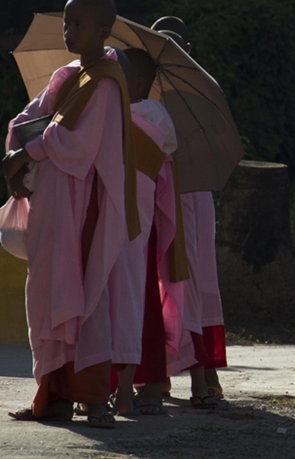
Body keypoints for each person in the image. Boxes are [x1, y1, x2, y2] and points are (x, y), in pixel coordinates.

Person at [4, 0, 139, 428]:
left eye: (78, 24)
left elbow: (77, 145)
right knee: (45, 293)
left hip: (84, 207)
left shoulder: (105, 80)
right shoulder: (67, 75)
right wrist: (17, 147)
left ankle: (94, 398)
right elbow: (31, 117)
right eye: (67, 22)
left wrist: (28, 153)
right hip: (52, 202)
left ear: (103, 31)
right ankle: (53, 395)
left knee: (83, 296)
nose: (69, 31)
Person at [153, 16, 226, 407]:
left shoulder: (201, 92)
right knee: (158, 281)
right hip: (156, 194)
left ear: (188, 53)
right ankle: (158, 374)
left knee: (194, 278)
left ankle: (204, 374)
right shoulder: (140, 96)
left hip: (193, 195)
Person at [108, 48, 180, 415]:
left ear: (136, 83)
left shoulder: (153, 114)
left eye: (115, 72)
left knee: (132, 300)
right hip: (106, 219)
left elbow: (162, 147)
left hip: (136, 224)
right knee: (105, 302)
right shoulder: (107, 113)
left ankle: (126, 390)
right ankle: (104, 386)